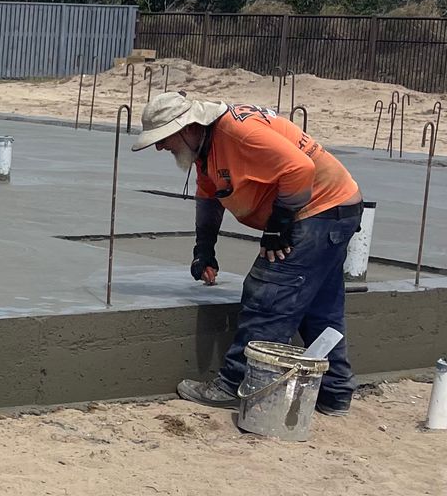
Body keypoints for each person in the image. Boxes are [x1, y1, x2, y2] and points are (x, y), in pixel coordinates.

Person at [133, 91, 363, 413]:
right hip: (336, 210)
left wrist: (277, 227)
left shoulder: (238, 132)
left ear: (186, 127)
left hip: (319, 210)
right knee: (320, 309)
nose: (160, 147)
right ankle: (334, 393)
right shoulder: (206, 148)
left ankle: (234, 384)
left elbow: (300, 169)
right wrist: (204, 251)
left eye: (163, 139)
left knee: (267, 292)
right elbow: (209, 197)